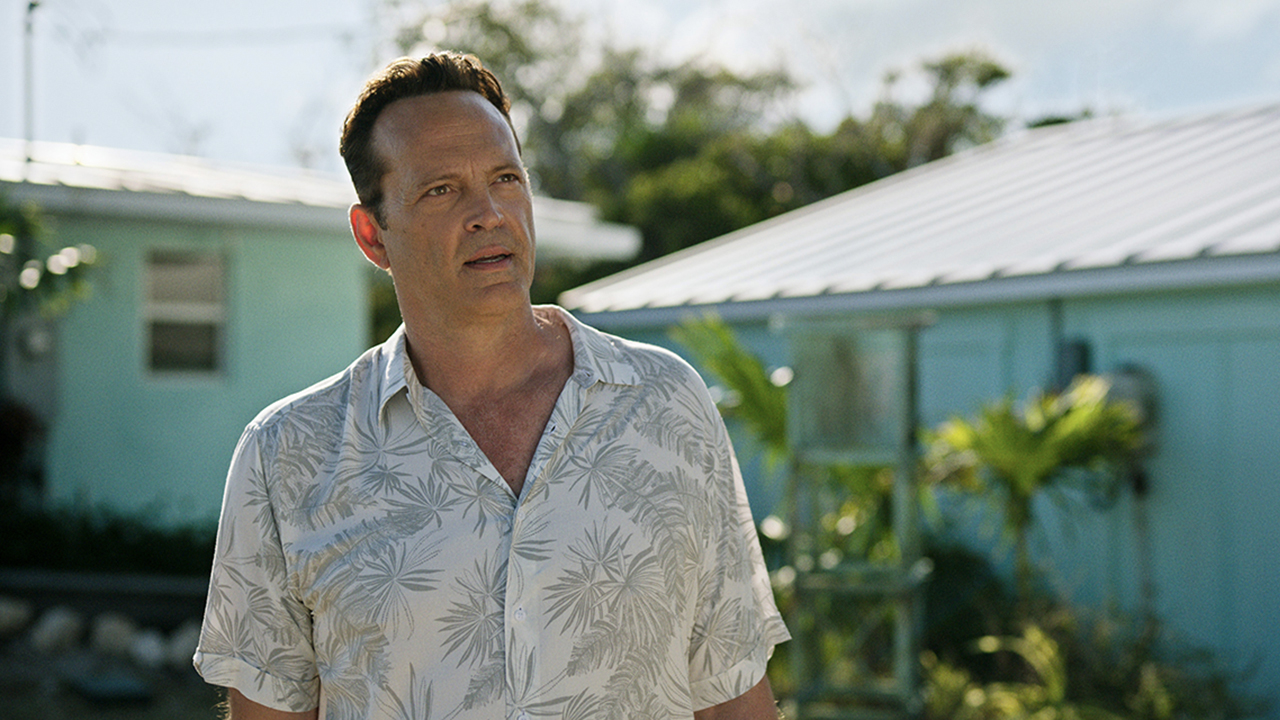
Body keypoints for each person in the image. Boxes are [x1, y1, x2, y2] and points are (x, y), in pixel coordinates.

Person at [193, 51, 789, 720]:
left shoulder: (664, 404)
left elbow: (733, 692)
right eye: (441, 189)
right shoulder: (286, 457)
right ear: (373, 235)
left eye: (506, 178)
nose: (489, 213)